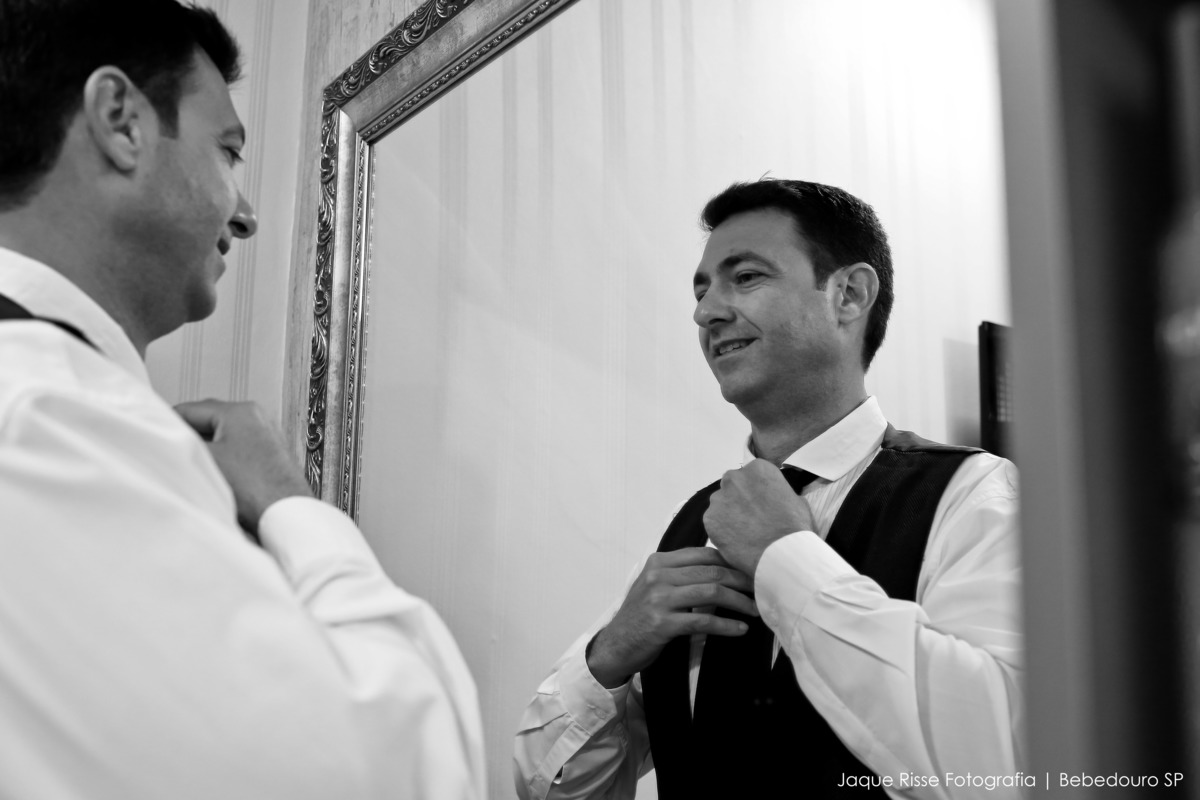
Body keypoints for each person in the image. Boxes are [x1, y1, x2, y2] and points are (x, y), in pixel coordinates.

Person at [0, 1, 484, 798]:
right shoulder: (45, 420)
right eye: (227, 151)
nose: (247, 214)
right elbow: (407, 772)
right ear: (120, 121)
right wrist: (293, 506)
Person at [514, 179, 1022, 799]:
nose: (706, 312)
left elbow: (1002, 764)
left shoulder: (975, 497)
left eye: (746, 277)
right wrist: (613, 650)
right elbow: (550, 788)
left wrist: (787, 560)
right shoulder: (693, 528)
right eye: (701, 290)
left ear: (849, 295)